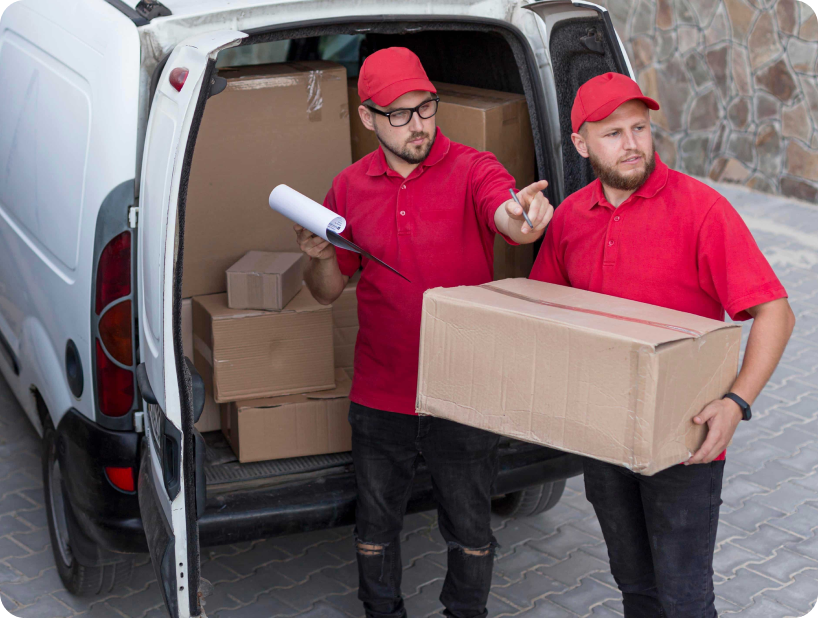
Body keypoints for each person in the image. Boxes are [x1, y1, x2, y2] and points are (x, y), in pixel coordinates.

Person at [294, 47, 553, 618]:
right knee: (375, 526)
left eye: (426, 107)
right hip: (381, 391)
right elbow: (327, 291)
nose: (419, 125)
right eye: (400, 114)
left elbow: (509, 215)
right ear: (368, 118)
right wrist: (315, 257)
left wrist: (526, 217)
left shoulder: (473, 167)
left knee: (470, 526)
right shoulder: (348, 188)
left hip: (462, 391)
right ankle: (381, 610)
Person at [529, 72, 796, 617]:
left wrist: (736, 403)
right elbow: (544, 319)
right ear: (580, 144)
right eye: (613, 133)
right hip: (603, 432)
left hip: (687, 435)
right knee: (635, 586)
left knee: (685, 598)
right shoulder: (571, 219)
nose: (632, 144)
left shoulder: (701, 210)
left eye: (641, 128)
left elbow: (776, 313)